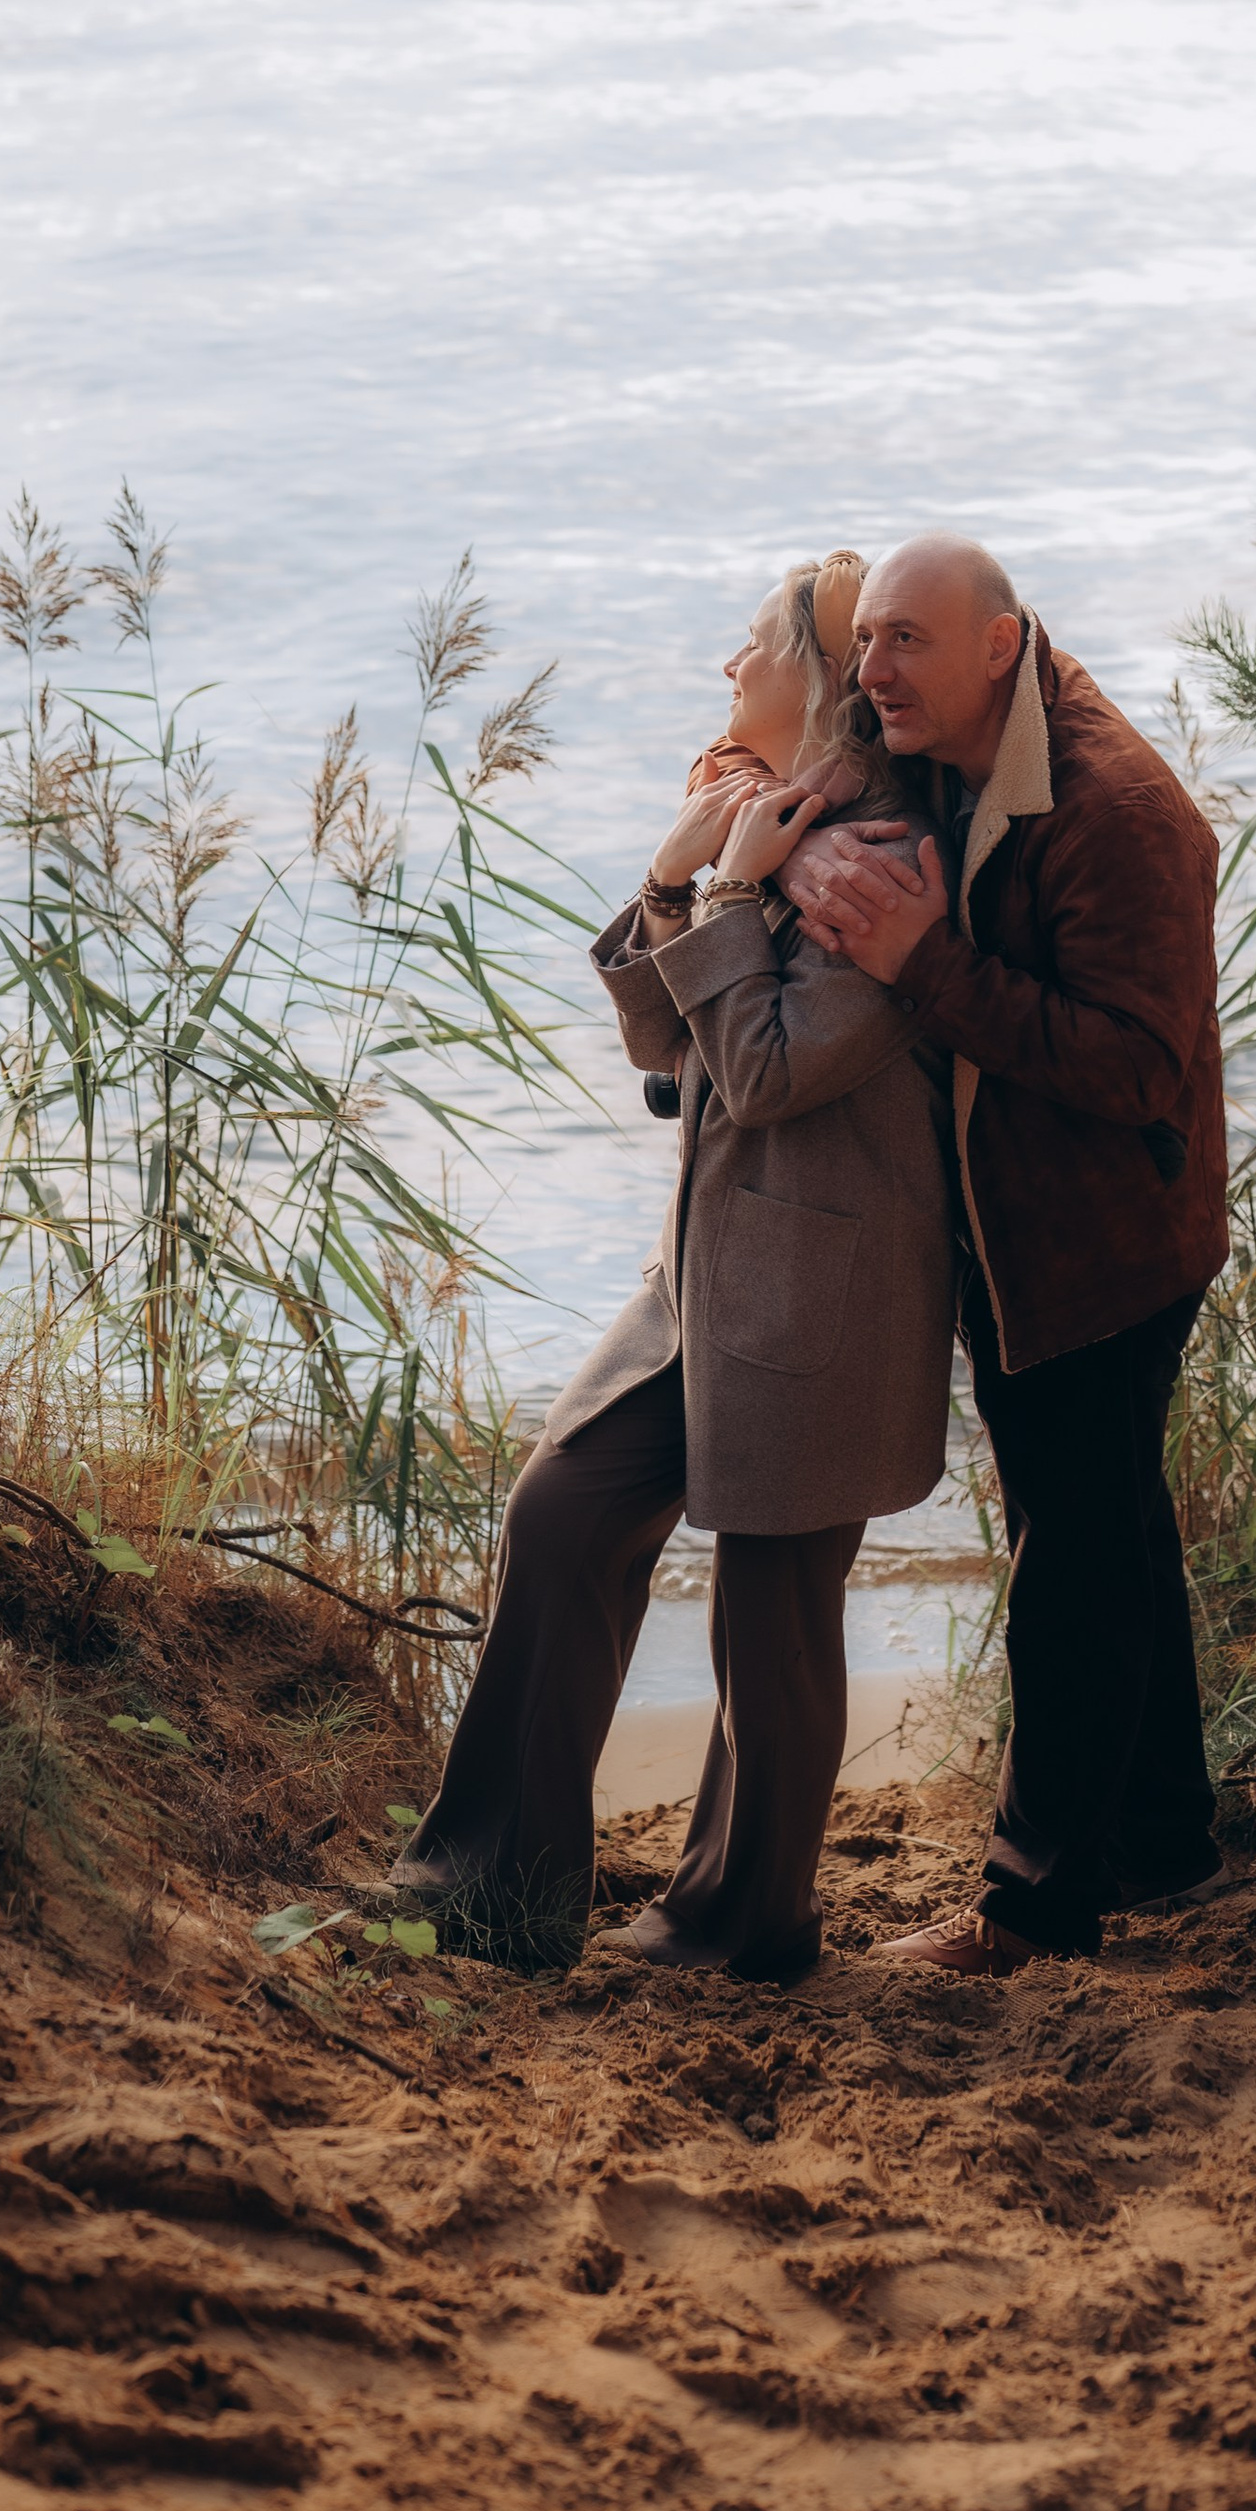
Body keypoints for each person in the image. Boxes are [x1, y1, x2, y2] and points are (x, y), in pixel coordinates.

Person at [388, 551, 958, 1981]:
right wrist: (677, 873)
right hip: (706, 1265)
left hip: (826, 1283)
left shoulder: (887, 862)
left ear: (817, 686)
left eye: (753, 645)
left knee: (774, 1616)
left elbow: (761, 1071)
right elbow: (668, 1041)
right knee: (567, 1508)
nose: (726, 670)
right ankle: (490, 1884)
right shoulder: (780, 824)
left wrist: (729, 898)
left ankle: (742, 1921)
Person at [780, 531, 1230, 1977]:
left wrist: (926, 965)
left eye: (906, 641)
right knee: (1111, 1525)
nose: (872, 671)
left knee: (1069, 1557)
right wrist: (794, 847)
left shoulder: (1117, 812)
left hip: (1106, 1239)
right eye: (865, 642)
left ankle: (1033, 1910)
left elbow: (1142, 1069)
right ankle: (1165, 1838)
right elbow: (754, 757)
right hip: (1019, 1221)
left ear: (999, 642)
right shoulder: (943, 736)